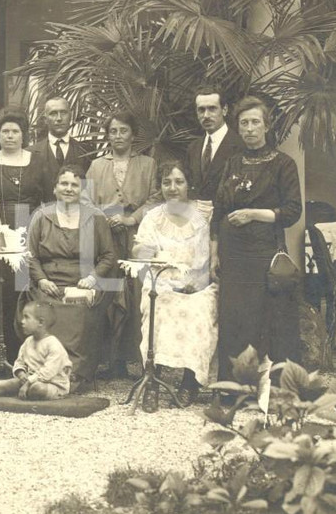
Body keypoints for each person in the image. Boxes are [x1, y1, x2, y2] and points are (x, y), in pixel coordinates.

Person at [212, 96, 302, 382]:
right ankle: (233, 387)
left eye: (255, 122)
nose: (250, 128)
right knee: (235, 320)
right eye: (244, 123)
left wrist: (253, 213)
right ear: (238, 127)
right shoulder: (232, 163)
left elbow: (292, 211)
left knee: (269, 320)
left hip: (265, 253)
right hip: (233, 255)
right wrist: (215, 253)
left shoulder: (283, 164)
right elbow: (219, 210)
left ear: (266, 125)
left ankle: (274, 389)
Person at [24, 165, 117, 390]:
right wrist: (42, 280)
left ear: (82, 190)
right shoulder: (41, 216)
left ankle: (75, 376)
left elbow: (108, 255)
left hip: (82, 282)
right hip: (48, 283)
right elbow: (30, 256)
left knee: (81, 310)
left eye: (74, 185)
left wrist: (93, 279)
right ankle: (42, 373)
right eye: (64, 184)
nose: (69, 189)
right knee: (44, 312)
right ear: (55, 188)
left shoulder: (95, 218)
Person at [132, 161, 218, 407]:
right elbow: (141, 251)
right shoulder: (152, 218)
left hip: (195, 286)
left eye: (179, 182)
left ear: (188, 185)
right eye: (166, 182)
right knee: (159, 306)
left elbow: (204, 260)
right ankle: (152, 380)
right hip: (162, 283)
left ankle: (190, 383)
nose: (172, 188)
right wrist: (141, 250)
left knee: (200, 310)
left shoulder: (201, 219)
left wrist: (193, 284)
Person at [86, 111, 159, 379]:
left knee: (136, 293)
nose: (118, 136)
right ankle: (109, 360)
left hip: (136, 235)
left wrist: (130, 219)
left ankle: (135, 360)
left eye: (123, 130)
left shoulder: (147, 164)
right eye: (113, 131)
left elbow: (155, 198)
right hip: (105, 236)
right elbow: (86, 201)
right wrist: (105, 219)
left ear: (133, 134)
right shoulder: (96, 166)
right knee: (108, 289)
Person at [0, 106, 47, 362]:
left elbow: (48, 199)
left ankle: (24, 350)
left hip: (30, 228)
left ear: (23, 135)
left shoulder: (38, 161)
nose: (10, 136)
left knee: (23, 288)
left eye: (15, 131)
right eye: (5, 131)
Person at [0, 301, 71, 400]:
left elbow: (48, 372)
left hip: (53, 384)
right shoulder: (28, 341)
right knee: (11, 382)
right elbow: (19, 362)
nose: (22, 321)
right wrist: (21, 374)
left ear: (41, 322)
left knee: (38, 389)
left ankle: (24, 391)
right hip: (31, 380)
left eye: (26, 317)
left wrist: (28, 382)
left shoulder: (53, 344)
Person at [184, 85, 243, 204]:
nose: (206, 115)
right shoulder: (193, 148)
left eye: (212, 109)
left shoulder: (240, 146)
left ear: (224, 110)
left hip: (226, 218)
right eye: (201, 110)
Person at [27, 97, 91, 181]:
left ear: (70, 116)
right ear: (45, 119)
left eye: (63, 113)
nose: (59, 118)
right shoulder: (29, 154)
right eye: (53, 113)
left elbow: (86, 192)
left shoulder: (86, 152)